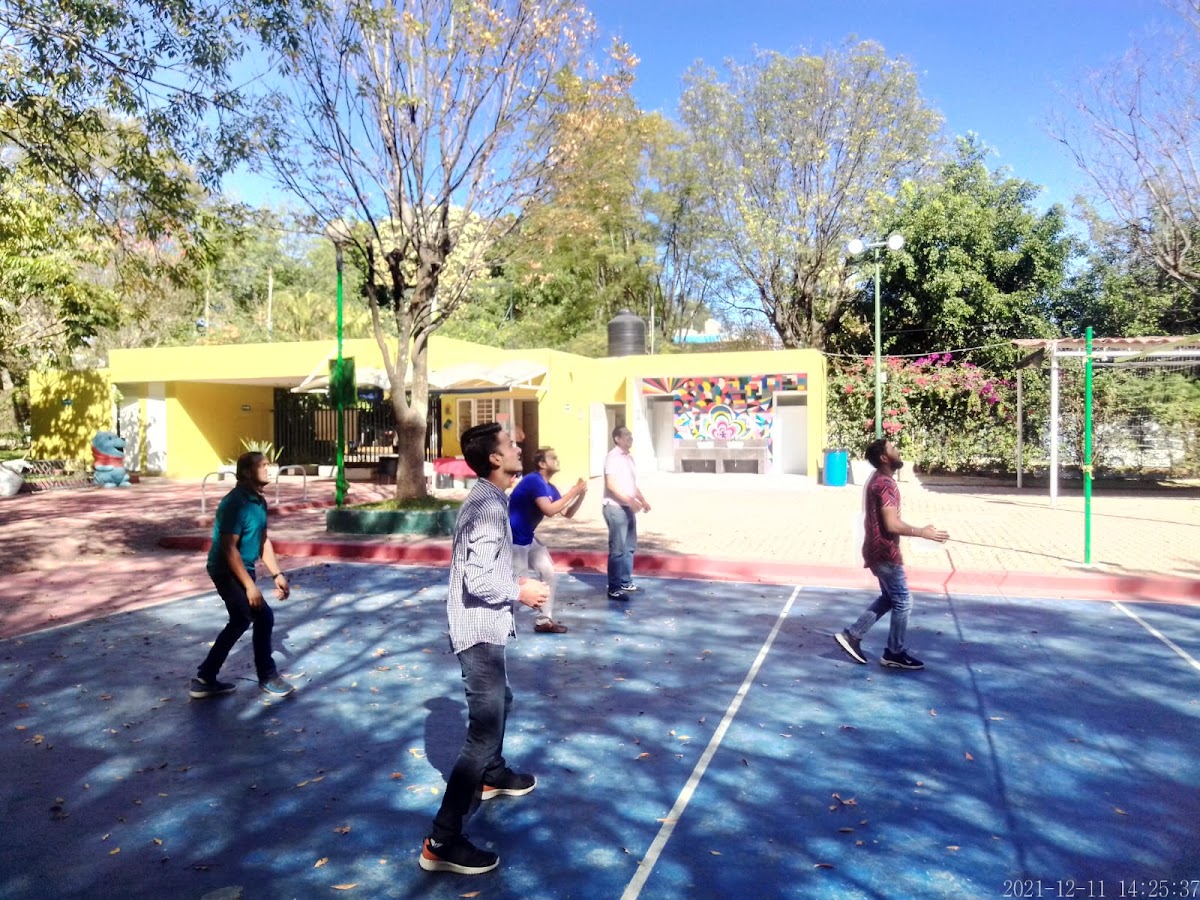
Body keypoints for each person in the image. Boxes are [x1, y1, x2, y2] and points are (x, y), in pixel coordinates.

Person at [420, 422, 551, 876]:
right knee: (482, 730)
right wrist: (520, 589)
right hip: (476, 630)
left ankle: (492, 775)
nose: (518, 448)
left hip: (485, 626)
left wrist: (513, 583)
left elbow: (482, 568)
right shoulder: (487, 508)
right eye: (510, 444)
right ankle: (442, 840)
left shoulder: (490, 499)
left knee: (502, 702)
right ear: (495, 458)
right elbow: (477, 579)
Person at [834, 438, 948, 671]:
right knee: (903, 601)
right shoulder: (885, 484)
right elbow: (892, 524)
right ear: (884, 457)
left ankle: (852, 634)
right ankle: (894, 652)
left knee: (890, 598)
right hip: (884, 552)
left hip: (877, 549)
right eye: (893, 448)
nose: (898, 451)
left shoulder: (877, 479)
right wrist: (922, 532)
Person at [189, 451, 295, 698]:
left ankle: (205, 678)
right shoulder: (234, 503)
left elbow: (263, 541)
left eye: (268, 464)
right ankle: (267, 676)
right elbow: (229, 550)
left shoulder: (259, 502)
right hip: (225, 569)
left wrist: (277, 574)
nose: (269, 469)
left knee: (241, 620)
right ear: (247, 472)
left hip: (242, 567)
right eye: (263, 465)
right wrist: (249, 586)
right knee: (262, 616)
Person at [509, 447, 588, 634]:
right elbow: (549, 510)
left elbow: (566, 512)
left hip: (527, 536)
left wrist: (581, 494)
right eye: (553, 457)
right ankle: (499, 623)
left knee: (548, 572)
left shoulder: (550, 487)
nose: (557, 460)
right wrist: (573, 491)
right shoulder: (533, 480)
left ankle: (544, 621)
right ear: (542, 464)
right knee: (517, 584)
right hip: (513, 538)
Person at [602, 425, 650, 601]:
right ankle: (614, 588)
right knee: (617, 549)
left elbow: (631, 484)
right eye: (626, 435)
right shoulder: (612, 457)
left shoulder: (629, 458)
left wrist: (642, 500)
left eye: (630, 434)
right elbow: (611, 485)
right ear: (617, 439)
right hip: (615, 508)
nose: (631, 437)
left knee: (629, 546)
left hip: (627, 508)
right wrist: (630, 501)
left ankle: (625, 581)